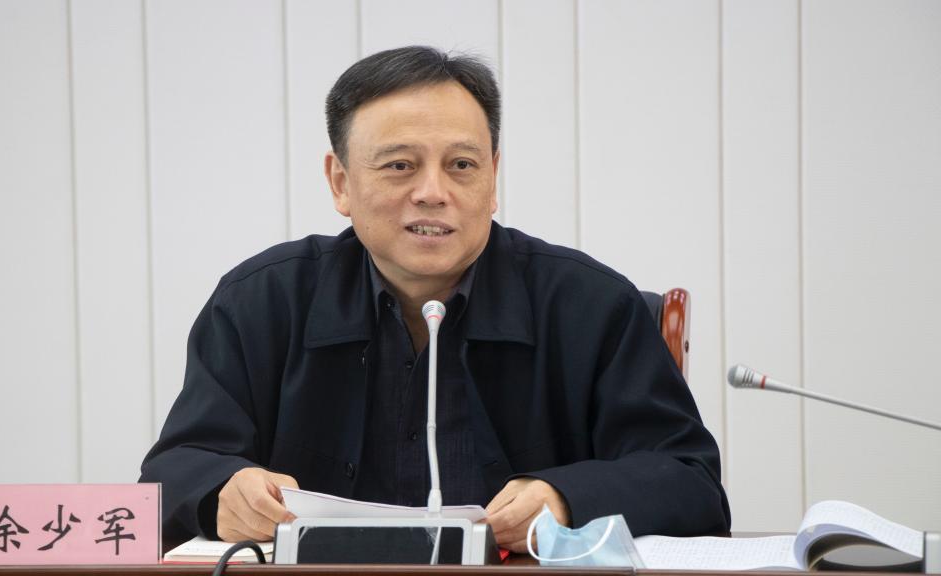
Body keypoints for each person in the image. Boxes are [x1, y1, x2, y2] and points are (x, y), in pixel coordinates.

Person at [140, 45, 730, 552]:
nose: (432, 192)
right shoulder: (263, 303)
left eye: (461, 165)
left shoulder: (589, 306)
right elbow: (172, 474)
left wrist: (566, 498)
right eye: (400, 165)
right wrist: (223, 492)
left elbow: (691, 482)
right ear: (341, 182)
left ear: (492, 178)